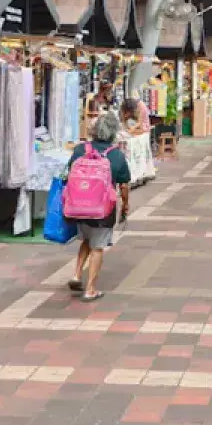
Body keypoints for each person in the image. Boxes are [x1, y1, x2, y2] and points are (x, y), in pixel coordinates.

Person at [66, 112, 131, 301]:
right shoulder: (116, 155)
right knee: (98, 247)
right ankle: (90, 289)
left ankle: (76, 274)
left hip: (79, 207)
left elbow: (69, 173)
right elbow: (124, 185)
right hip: (102, 210)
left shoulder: (80, 150)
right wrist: (125, 205)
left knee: (87, 239)